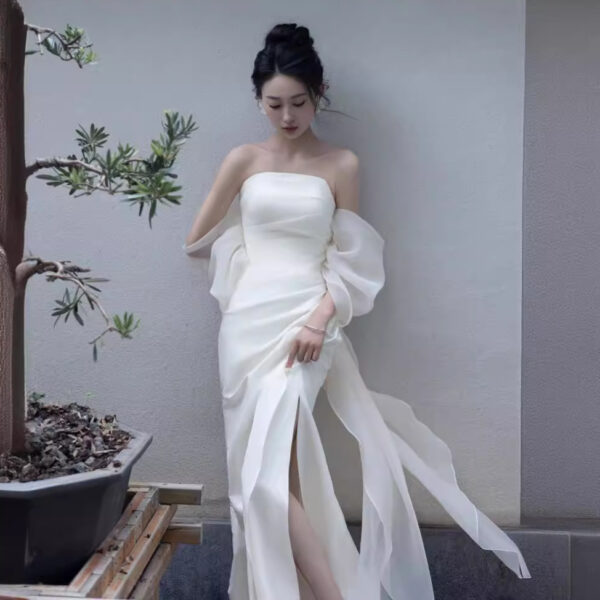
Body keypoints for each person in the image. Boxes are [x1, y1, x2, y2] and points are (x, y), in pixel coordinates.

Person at [183, 22, 531, 600]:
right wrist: (247, 268)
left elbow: (355, 259)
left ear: (319, 94)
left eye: (299, 102)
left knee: (264, 481)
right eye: (275, 104)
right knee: (270, 476)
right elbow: (197, 240)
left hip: (306, 327)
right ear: (258, 101)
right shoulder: (243, 159)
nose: (288, 116)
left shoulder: (341, 164)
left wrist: (321, 316)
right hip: (246, 329)